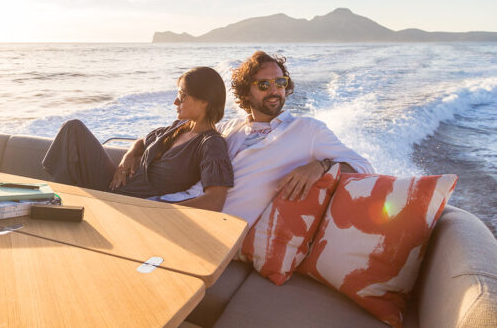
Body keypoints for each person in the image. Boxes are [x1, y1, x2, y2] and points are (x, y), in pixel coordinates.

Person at [156, 51, 375, 226]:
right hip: (177, 208)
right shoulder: (227, 129)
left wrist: (322, 166)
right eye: (263, 85)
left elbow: (365, 168)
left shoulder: (309, 130)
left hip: (218, 230)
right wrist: (136, 150)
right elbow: (173, 136)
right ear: (245, 91)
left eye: (280, 82)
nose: (274, 90)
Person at [41, 66, 234, 208]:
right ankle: (61, 201)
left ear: (204, 101)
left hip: (130, 204)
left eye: (182, 95)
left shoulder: (211, 143)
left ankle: (61, 206)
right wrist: (128, 156)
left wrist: (159, 211)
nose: (176, 101)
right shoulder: (179, 127)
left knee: (72, 132)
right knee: (73, 128)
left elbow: (215, 200)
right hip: (114, 185)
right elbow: (143, 140)